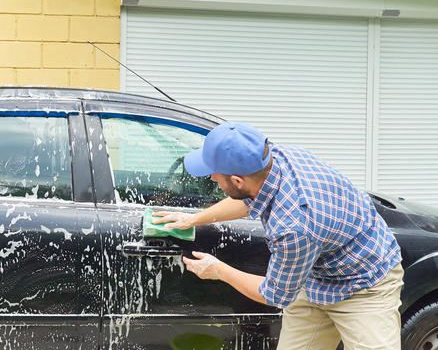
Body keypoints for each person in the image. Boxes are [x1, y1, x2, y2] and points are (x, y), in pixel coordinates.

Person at [153, 121, 403, 350]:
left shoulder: (293, 227)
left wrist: (218, 271)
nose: (211, 177)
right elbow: (250, 199)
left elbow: (274, 294)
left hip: (364, 282)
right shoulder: (273, 159)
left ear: (237, 180)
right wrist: (194, 218)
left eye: (215, 173)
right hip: (314, 276)